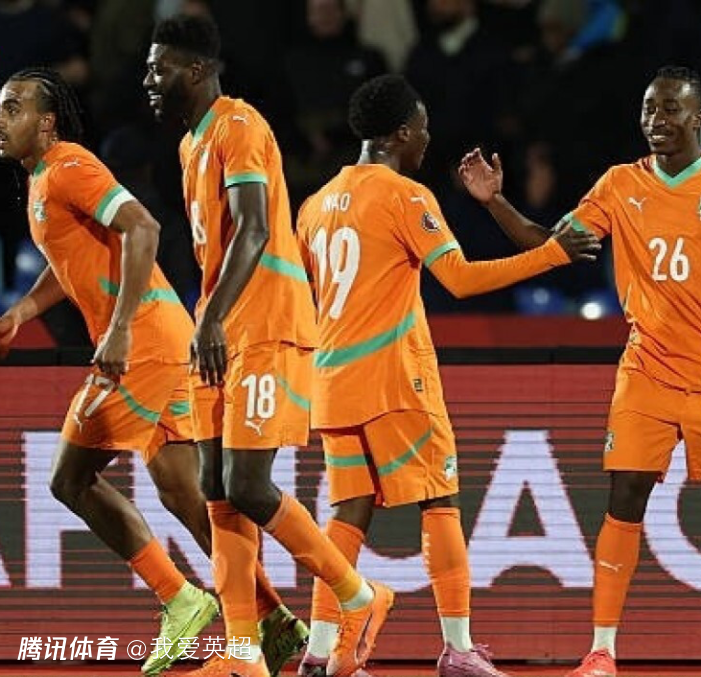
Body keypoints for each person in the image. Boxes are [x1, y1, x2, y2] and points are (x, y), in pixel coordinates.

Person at [458, 65, 701, 677]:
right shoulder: (619, 184)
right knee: (623, 498)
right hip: (647, 371)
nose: (656, 120)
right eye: (650, 109)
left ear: (698, 118)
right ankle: (602, 650)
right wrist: (494, 201)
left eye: (670, 109)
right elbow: (550, 246)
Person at [0, 66, 311, 677]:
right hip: (162, 337)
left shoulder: (69, 165)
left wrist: (117, 329)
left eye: (13, 107)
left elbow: (143, 225)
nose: (1, 120)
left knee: (70, 478)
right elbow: (74, 259)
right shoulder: (41, 180)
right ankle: (271, 619)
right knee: (187, 494)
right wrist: (23, 311)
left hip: (142, 340)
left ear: (48, 121)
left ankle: (180, 597)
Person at [294, 74, 600, 677]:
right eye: (422, 128)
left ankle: (320, 650)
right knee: (440, 499)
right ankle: (458, 648)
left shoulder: (314, 206)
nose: (428, 138)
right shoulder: (406, 196)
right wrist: (551, 254)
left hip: (330, 382)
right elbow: (458, 279)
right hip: (393, 379)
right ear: (399, 134)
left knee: (348, 512)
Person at [143, 14, 392, 677]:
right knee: (215, 486)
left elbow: (253, 229)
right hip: (220, 327)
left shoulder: (240, 125)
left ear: (197, 70)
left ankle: (358, 596)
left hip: (263, 323)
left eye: (160, 68)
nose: (149, 80)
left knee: (249, 484)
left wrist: (212, 318)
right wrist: (210, 319)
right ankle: (244, 653)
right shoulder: (191, 144)